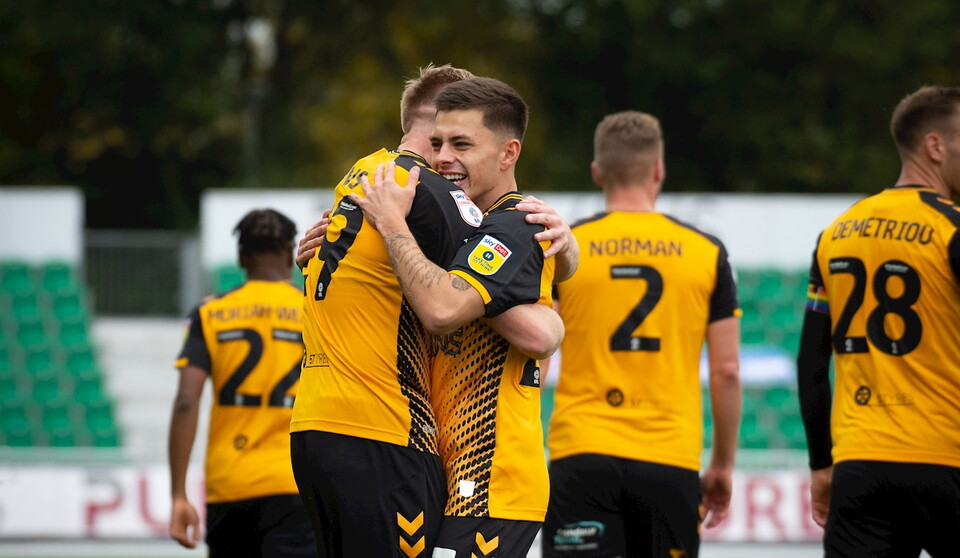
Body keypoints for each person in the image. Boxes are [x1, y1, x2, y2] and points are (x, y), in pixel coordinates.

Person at [290, 65, 574, 558]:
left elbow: (531, 331)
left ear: (506, 151)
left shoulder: (504, 221)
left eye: (460, 144)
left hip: (490, 474)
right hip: (441, 462)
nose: (443, 158)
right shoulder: (430, 205)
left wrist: (389, 228)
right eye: (439, 143)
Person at [537, 111, 742, 558]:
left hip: (581, 450)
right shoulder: (706, 251)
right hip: (668, 457)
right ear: (658, 170)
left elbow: (539, 350)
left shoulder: (565, 245)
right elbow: (726, 371)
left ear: (597, 172)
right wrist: (723, 466)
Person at [796, 85, 960, 557]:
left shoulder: (836, 233)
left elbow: (811, 363)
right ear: (934, 146)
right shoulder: (951, 227)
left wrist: (821, 464)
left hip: (861, 466)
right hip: (947, 457)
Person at [168, 208, 314, 558]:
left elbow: (187, 401)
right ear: (290, 253)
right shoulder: (314, 311)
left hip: (230, 485)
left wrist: (178, 494)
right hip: (296, 481)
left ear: (241, 257)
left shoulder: (209, 313)